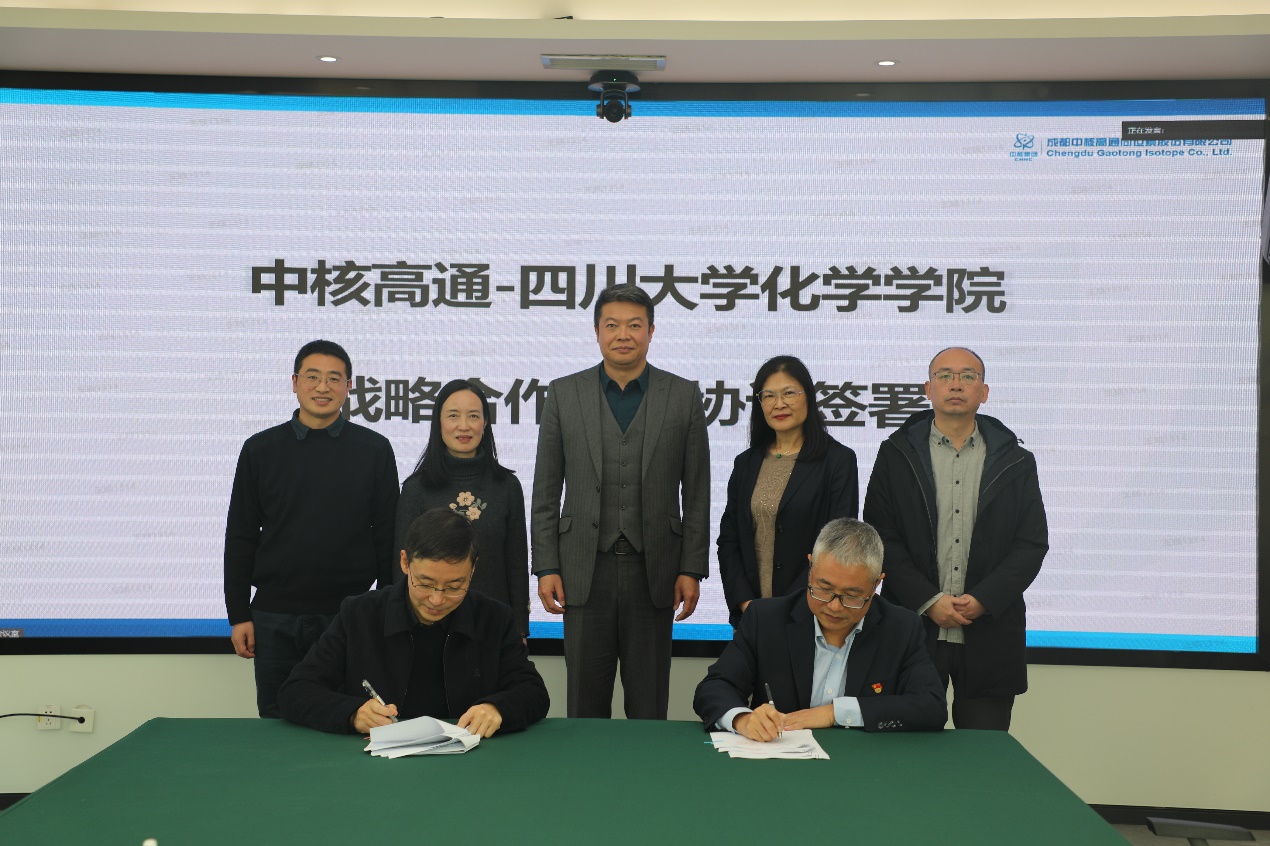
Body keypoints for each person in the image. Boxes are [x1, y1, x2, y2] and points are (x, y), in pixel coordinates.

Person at [531, 283, 710, 719]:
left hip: (656, 570)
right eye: (612, 325)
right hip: (582, 569)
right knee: (583, 705)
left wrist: (691, 569)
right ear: (596, 331)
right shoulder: (564, 393)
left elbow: (697, 491)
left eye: (634, 325)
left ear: (651, 331)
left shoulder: (682, 395)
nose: (623, 335)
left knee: (649, 706)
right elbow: (545, 490)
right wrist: (547, 565)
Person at [863, 347, 1048, 731]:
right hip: (912, 627)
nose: (956, 384)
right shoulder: (896, 454)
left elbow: (1030, 544)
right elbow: (881, 536)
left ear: (984, 392)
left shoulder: (1016, 461)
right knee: (908, 750)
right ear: (928, 389)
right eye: (945, 375)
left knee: (983, 754)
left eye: (968, 376)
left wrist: (984, 599)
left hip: (991, 633)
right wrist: (928, 600)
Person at [223, 339, 399, 718]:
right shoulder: (260, 449)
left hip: (349, 614)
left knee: (351, 719)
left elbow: (388, 536)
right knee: (277, 721)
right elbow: (240, 535)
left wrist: (387, 611)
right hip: (274, 617)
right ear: (295, 382)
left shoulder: (374, 450)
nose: (323, 387)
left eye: (334, 378)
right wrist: (238, 614)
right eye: (313, 377)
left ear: (348, 387)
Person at [278, 507, 549, 736]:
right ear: (405, 562)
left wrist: (497, 708)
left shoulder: (494, 618)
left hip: (466, 761)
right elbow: (296, 691)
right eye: (425, 583)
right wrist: (353, 714)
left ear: (473, 569)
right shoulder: (360, 614)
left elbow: (533, 692)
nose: (437, 599)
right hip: (378, 763)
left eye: (454, 587)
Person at [694, 518, 946, 737]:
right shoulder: (766, 619)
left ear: (876, 585)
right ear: (810, 569)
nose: (834, 607)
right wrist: (742, 719)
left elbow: (931, 706)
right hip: (781, 761)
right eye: (824, 589)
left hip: (864, 765)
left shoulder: (900, 628)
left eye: (852, 595)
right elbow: (714, 687)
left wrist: (834, 713)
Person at [717, 355, 858, 627]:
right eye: (769, 396)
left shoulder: (838, 460)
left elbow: (836, 544)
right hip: (751, 617)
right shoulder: (746, 463)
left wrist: (786, 608)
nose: (779, 404)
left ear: (809, 397)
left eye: (789, 393)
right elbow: (729, 541)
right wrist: (746, 603)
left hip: (811, 615)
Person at [395, 379, 529, 638]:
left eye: (473, 416)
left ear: (485, 423)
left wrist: (520, 630)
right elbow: (399, 568)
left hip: (491, 624)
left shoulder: (507, 486)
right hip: (429, 623)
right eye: (453, 415)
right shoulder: (416, 488)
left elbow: (516, 566)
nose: (464, 426)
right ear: (438, 422)